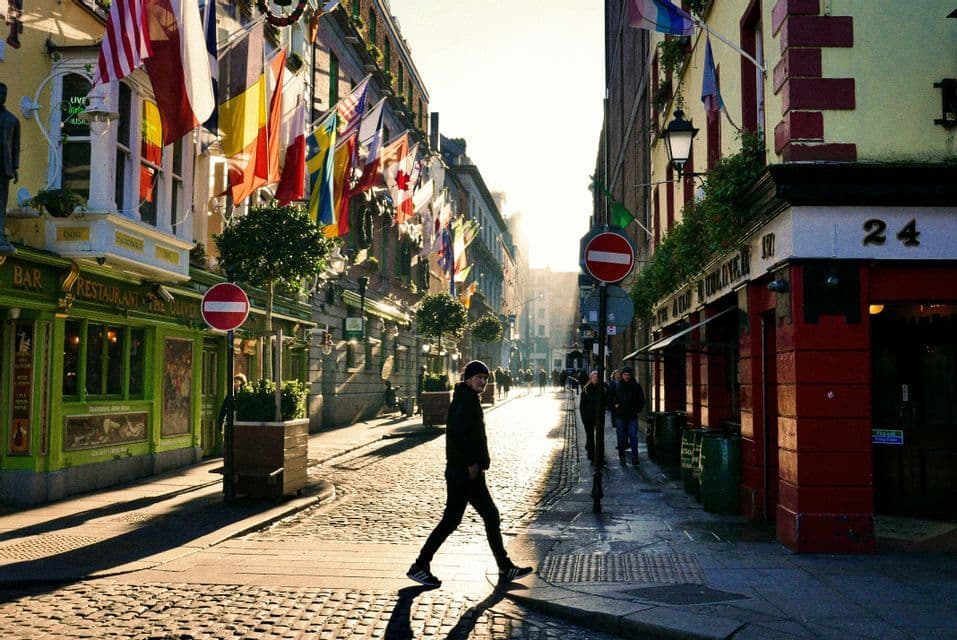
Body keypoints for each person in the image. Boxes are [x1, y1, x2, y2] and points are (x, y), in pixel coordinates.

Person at [407, 360, 533, 588]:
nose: (483, 382)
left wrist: (476, 465)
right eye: (479, 378)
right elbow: (456, 436)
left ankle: (505, 567)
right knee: (452, 520)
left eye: (485, 378)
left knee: (489, 516)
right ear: (468, 379)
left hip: (471, 474)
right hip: (463, 473)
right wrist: (470, 464)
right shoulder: (464, 401)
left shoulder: (470, 399)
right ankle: (420, 566)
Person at [0, 82, 21, 254]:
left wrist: (15, 167)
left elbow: (15, 146)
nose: (2, 96)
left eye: (4, 93)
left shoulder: (13, 120)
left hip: (4, 168)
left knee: (1, 204)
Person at [610, 366, 645, 466]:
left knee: (633, 437)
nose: (626, 377)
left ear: (631, 375)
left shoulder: (636, 386)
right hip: (620, 416)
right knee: (620, 438)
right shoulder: (617, 386)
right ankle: (622, 457)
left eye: (628, 375)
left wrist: (637, 410)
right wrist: (615, 406)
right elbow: (611, 399)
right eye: (625, 375)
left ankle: (635, 457)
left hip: (632, 416)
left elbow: (641, 400)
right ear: (622, 375)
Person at [579, 370, 607, 465]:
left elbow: (607, 400)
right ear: (590, 378)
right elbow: (582, 407)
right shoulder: (586, 390)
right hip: (589, 418)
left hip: (599, 418)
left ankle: (600, 458)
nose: (595, 378)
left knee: (600, 438)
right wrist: (584, 419)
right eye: (593, 376)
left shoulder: (602, 388)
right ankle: (592, 457)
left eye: (597, 376)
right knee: (590, 438)